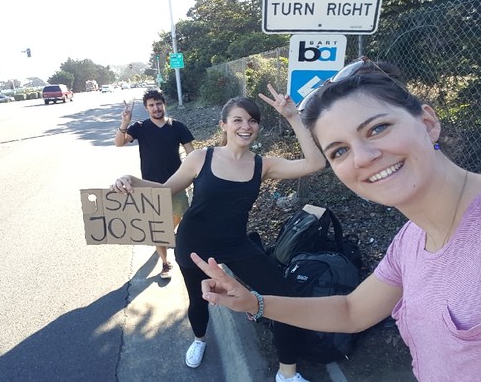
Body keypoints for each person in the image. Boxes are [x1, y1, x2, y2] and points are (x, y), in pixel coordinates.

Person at [190, 59, 481, 381]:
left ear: (427, 123)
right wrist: (252, 302)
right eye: (339, 151)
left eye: (378, 128)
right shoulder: (410, 242)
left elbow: (311, 162)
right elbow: (352, 311)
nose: (363, 157)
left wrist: (292, 118)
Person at [111, 86, 326, 382]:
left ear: (258, 127)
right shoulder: (201, 158)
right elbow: (163, 190)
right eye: (237, 120)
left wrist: (293, 117)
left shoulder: (263, 165)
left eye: (251, 121)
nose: (245, 126)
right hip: (194, 243)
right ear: (224, 126)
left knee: (284, 297)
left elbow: (315, 164)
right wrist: (130, 179)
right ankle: (199, 340)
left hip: (236, 243)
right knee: (199, 301)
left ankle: (287, 373)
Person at [114, 89, 195, 279]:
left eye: (158, 103)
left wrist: (197, 173)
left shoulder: (178, 126)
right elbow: (119, 143)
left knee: (180, 222)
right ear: (146, 108)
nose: (156, 108)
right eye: (151, 105)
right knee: (159, 228)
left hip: (177, 184)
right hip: (150, 186)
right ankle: (165, 263)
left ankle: (170, 239)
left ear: (164, 104)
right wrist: (124, 122)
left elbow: (192, 154)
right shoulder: (140, 127)